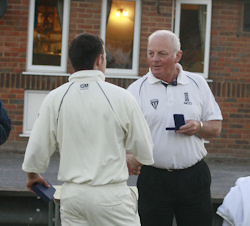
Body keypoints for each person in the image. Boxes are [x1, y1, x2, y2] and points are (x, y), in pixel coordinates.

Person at [22, 33, 154, 226]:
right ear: (99, 59)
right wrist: (134, 160)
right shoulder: (121, 97)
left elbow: (36, 148)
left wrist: (33, 176)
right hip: (111, 196)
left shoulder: (55, 98)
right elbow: (145, 150)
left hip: (72, 196)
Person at [127, 30, 223, 226]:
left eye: (162, 54)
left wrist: (198, 127)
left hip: (194, 177)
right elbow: (122, 134)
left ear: (177, 56)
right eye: (150, 53)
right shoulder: (136, 90)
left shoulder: (197, 84)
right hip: (153, 179)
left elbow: (216, 128)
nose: (154, 60)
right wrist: (128, 155)